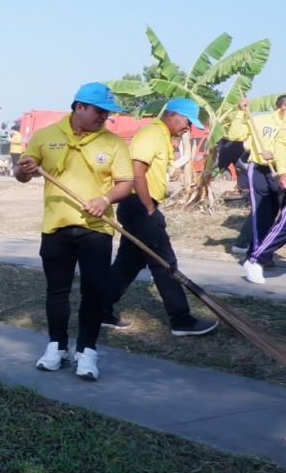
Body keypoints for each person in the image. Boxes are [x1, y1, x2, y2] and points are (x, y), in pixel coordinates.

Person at [15, 83, 134, 381]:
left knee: (94, 291)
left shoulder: (114, 143)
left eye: (107, 112)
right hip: (55, 228)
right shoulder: (46, 137)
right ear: (79, 107)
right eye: (99, 111)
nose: (104, 117)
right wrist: (24, 169)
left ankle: (87, 351)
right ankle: (56, 347)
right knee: (57, 291)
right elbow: (22, 175)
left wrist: (105, 199)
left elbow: (125, 184)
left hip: (96, 230)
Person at [101, 99, 217, 335]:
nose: (189, 128)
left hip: (138, 206)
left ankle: (99, 309)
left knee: (129, 262)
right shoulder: (151, 134)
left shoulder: (162, 136)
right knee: (165, 263)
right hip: (139, 206)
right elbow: (136, 172)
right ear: (173, 115)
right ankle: (181, 320)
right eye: (187, 121)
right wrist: (149, 208)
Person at [243, 95, 286, 284]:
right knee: (264, 215)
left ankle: (259, 255)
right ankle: (256, 257)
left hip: (276, 170)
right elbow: (281, 145)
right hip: (262, 169)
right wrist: (240, 112)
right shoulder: (262, 120)